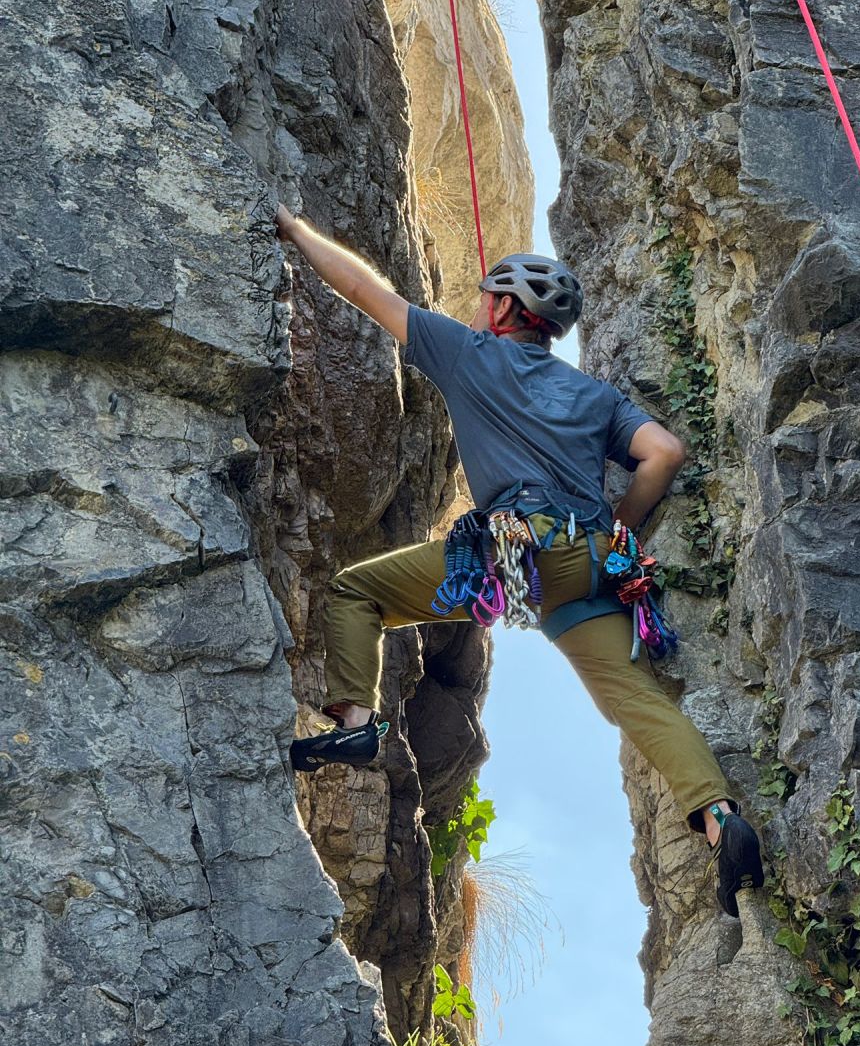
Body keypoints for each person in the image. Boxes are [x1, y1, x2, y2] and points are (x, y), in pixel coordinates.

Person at [274, 205, 763, 917]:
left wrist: (297, 227)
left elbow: (364, 290)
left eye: (483, 298)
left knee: (357, 593)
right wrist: (622, 527)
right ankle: (721, 818)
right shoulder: (596, 396)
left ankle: (355, 721)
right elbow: (664, 453)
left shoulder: (470, 353)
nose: (475, 308)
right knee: (637, 700)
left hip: (521, 549)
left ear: (504, 307)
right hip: (592, 565)